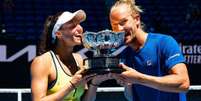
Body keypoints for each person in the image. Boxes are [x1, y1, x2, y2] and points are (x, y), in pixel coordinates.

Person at [109, 0, 190, 101]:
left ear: (136, 19)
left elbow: (184, 83)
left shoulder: (164, 42)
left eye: (123, 22)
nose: (119, 29)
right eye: (114, 25)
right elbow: (131, 97)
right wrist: (128, 84)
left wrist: (139, 78)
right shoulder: (124, 55)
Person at [30, 9, 112, 101]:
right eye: (73, 26)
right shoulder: (42, 62)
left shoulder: (79, 59)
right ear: (58, 34)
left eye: (79, 24)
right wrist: (71, 85)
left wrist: (95, 83)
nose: (80, 29)